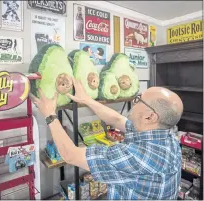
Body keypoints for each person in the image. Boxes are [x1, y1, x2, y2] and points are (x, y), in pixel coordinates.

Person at [30, 78, 183, 200]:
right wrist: (87, 100)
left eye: (138, 100)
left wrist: (50, 114)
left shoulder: (138, 157)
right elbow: (117, 119)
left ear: (150, 116)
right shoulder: (166, 135)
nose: (134, 102)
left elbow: (70, 155)